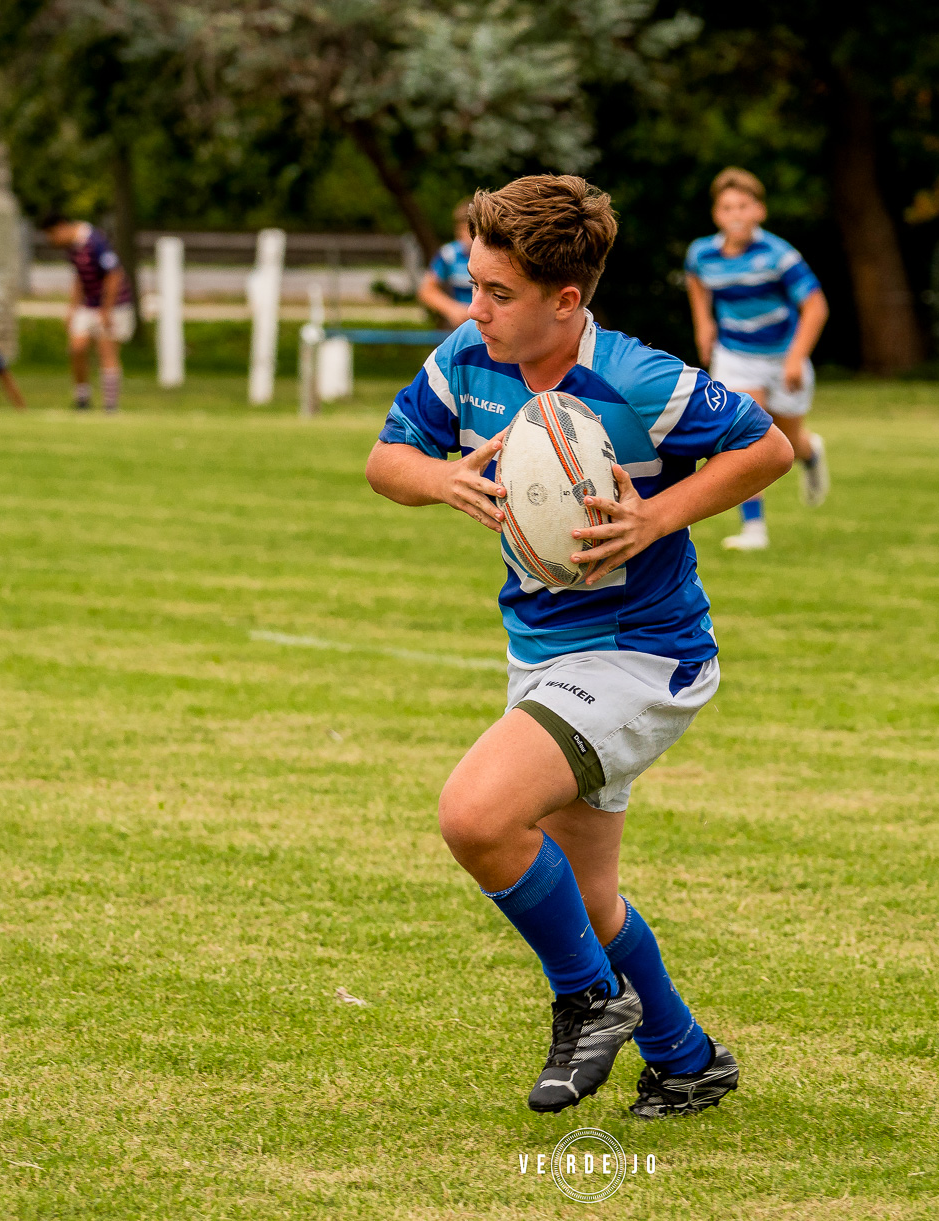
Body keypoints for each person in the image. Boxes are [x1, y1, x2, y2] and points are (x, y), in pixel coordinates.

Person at [366, 175, 793, 1117]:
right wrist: (441, 480)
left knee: (477, 815)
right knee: (590, 899)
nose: (475, 308)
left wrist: (656, 516)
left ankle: (591, 999)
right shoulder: (465, 358)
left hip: (642, 654)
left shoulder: (637, 379)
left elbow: (767, 448)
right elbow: (384, 460)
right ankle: (686, 1058)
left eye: (498, 292)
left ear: (566, 300)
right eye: (474, 286)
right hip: (542, 653)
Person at [684, 167, 830, 551]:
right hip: (735, 356)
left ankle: (811, 452)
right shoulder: (702, 253)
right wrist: (703, 324)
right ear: (716, 214)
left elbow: (816, 306)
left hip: (782, 356)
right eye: (727, 207)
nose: (735, 214)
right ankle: (754, 529)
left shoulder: (779, 255)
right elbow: (696, 281)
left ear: (759, 211)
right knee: (747, 438)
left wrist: (796, 358)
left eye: (743, 206)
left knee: (789, 442)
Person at [41, 214, 132, 413]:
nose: (51, 240)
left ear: (61, 226)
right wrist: (72, 309)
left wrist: (106, 310)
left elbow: (114, 274)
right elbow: (79, 277)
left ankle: (110, 405)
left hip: (113, 303)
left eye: (52, 234)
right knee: (77, 347)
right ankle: (82, 399)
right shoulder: (72, 247)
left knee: (106, 350)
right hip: (88, 303)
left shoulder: (94, 240)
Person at [417, 200, 474, 328]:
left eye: (473, 231)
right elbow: (426, 291)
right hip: (464, 324)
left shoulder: (496, 254)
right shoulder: (449, 254)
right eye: (464, 230)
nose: (468, 236)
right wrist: (452, 309)